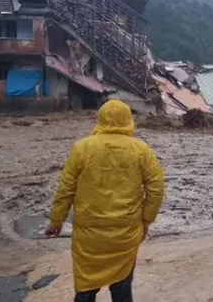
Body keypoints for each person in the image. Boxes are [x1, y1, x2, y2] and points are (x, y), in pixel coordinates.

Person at [45, 99, 165, 302]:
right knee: (122, 288)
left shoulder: (81, 148)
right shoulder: (141, 150)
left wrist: (56, 220)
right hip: (125, 232)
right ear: (128, 120)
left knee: (85, 288)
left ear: (99, 119)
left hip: (88, 234)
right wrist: (146, 220)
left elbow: (66, 189)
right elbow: (156, 188)